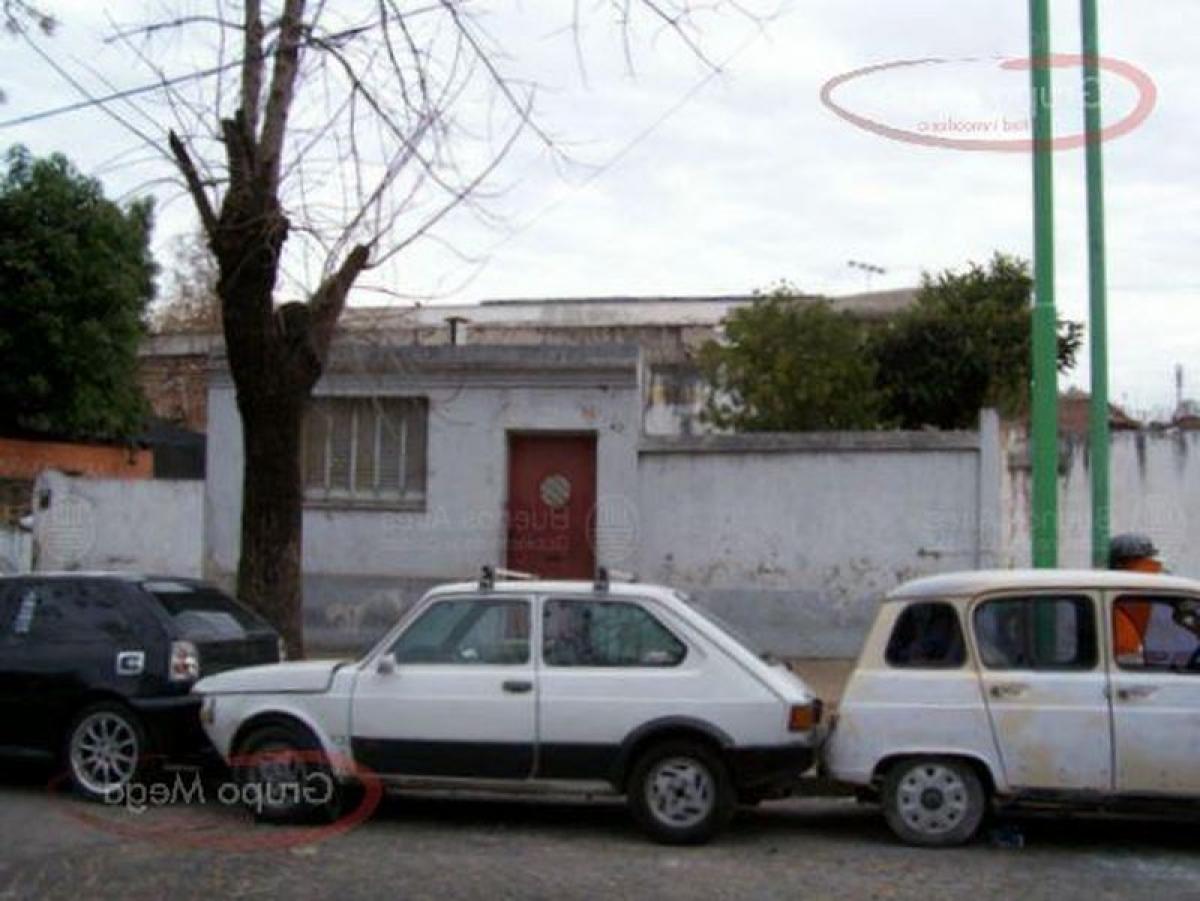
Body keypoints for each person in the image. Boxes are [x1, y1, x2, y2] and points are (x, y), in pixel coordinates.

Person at [1109, 532, 1162, 664]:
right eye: (1143, 561)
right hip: (1126, 657)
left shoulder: (1146, 588)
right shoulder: (1144, 585)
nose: (1150, 565)